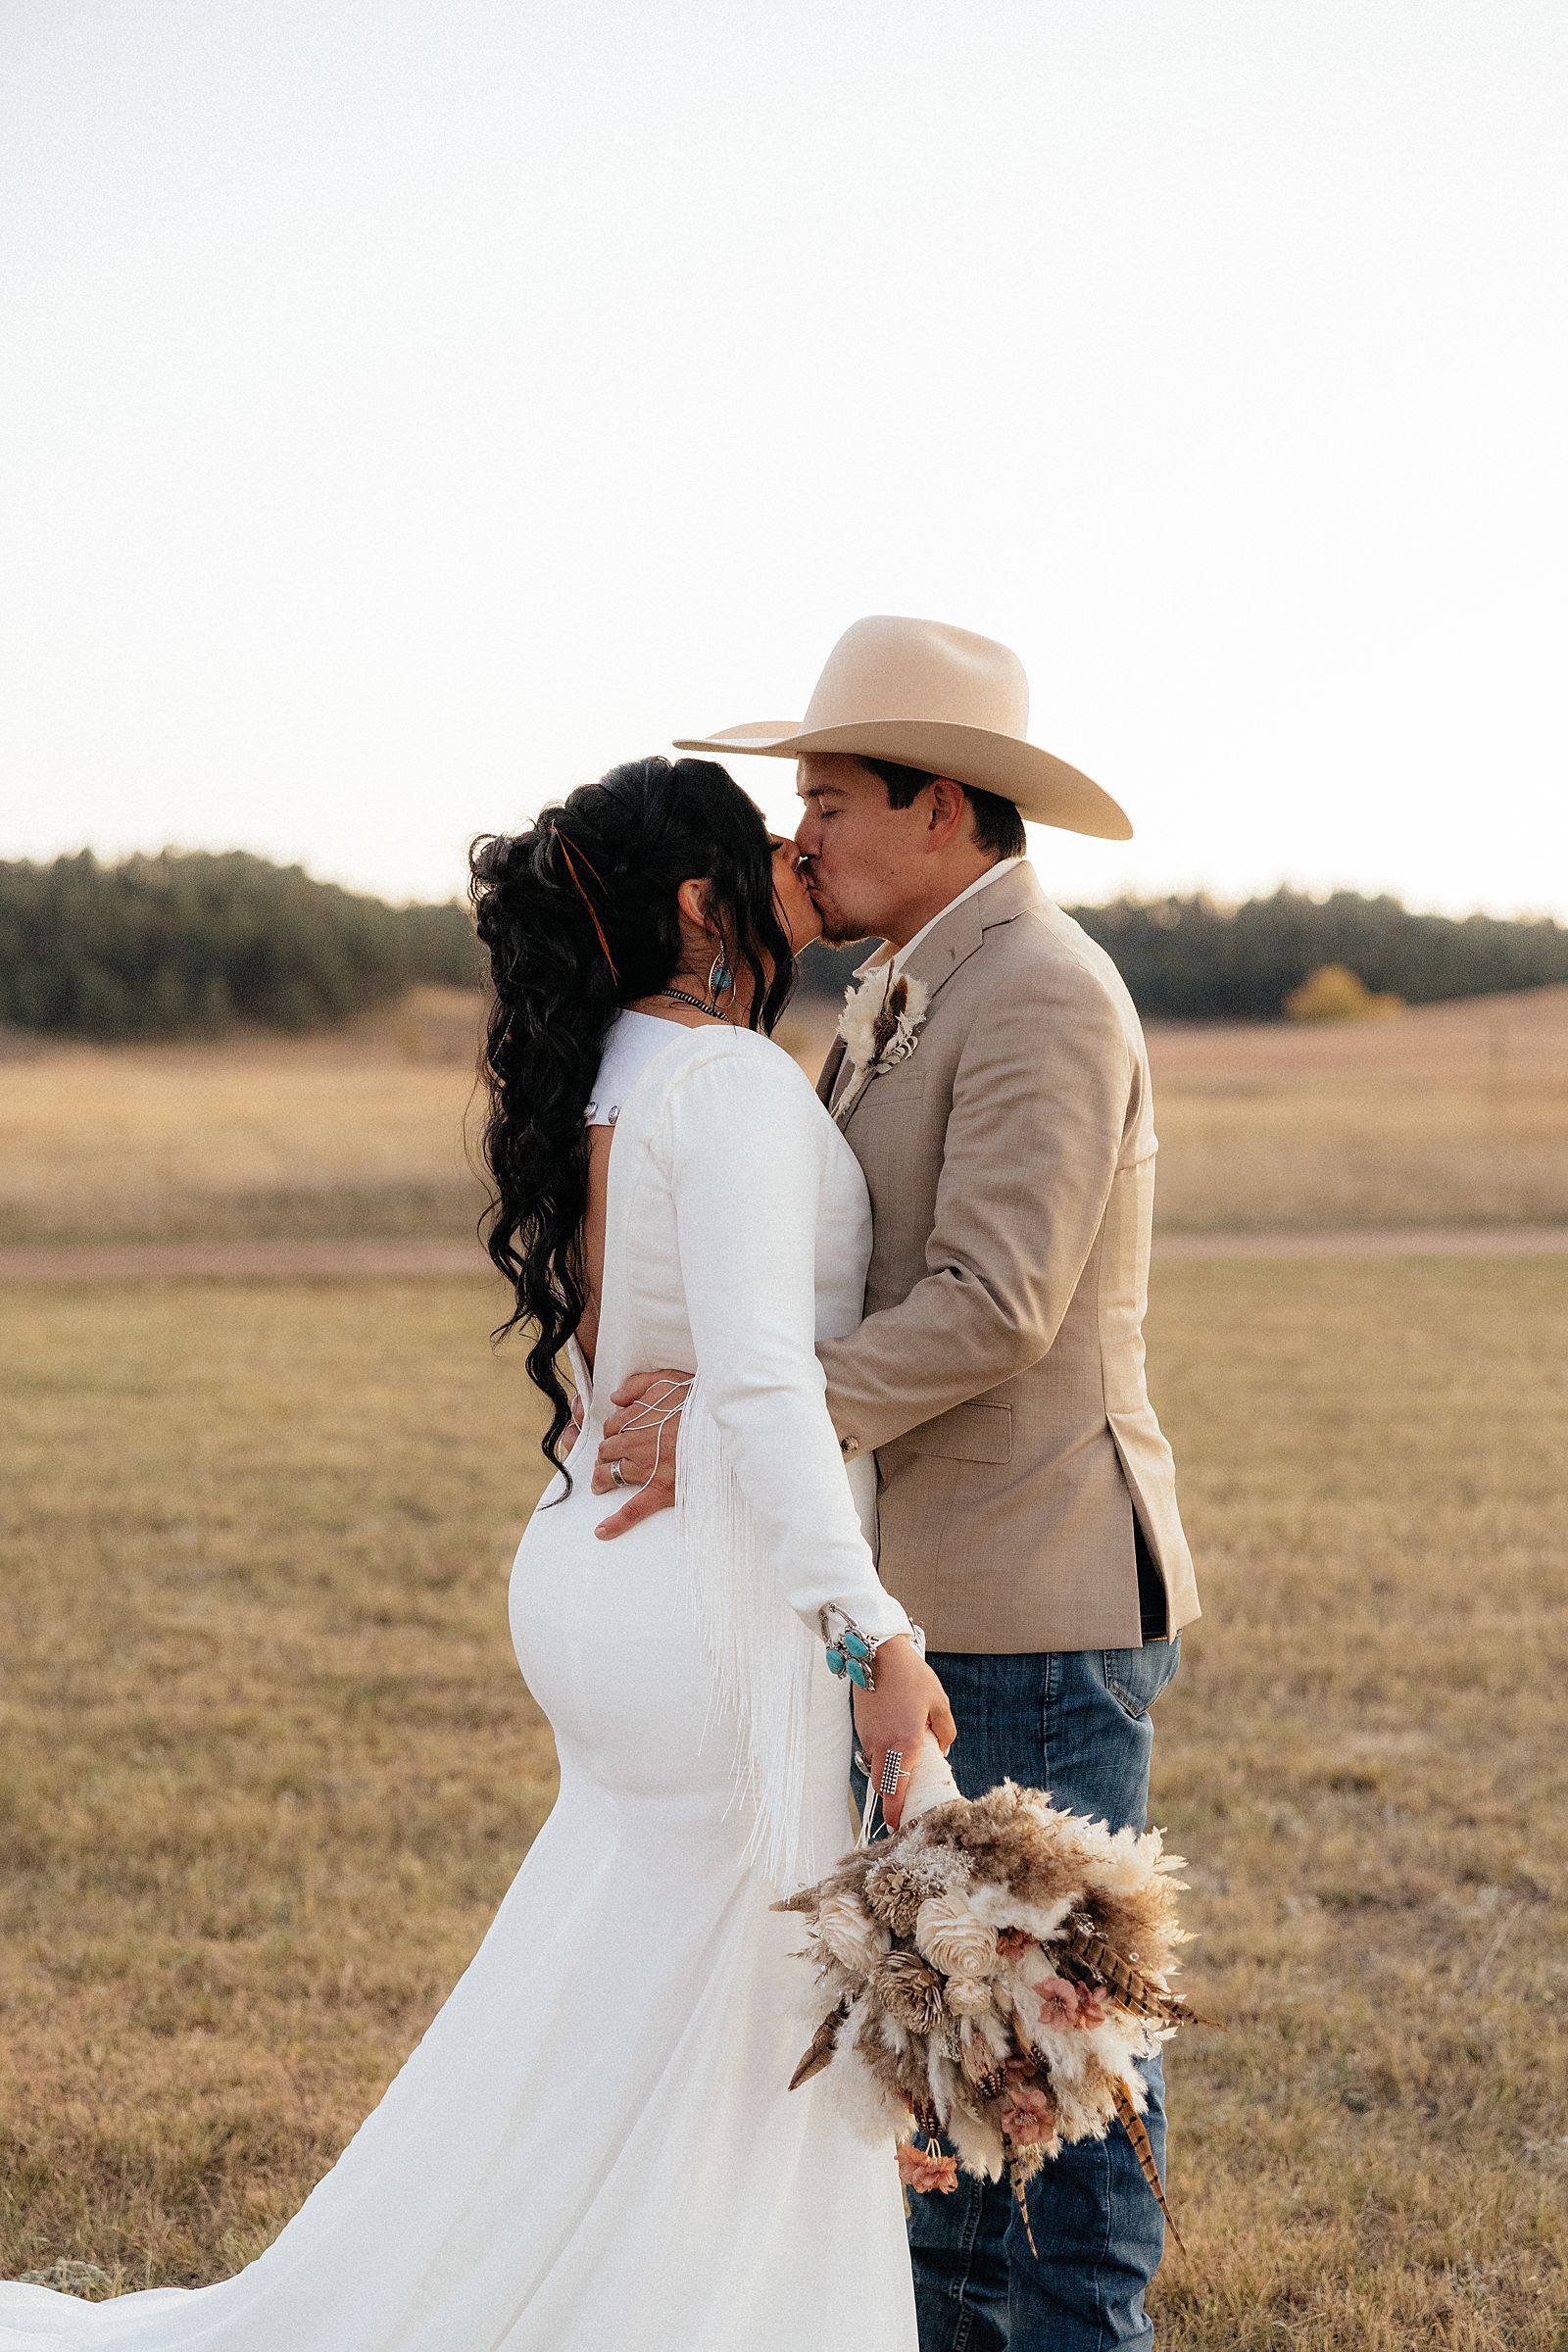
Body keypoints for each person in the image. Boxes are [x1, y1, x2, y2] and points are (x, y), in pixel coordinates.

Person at [0, 754, 955, 2352]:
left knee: (613, 2000)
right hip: (708, 1602)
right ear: (704, 907)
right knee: (742, 2036)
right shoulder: (725, 1085)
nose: (800, 859)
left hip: (597, 1558)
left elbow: (671, 1360)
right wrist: (868, 1632)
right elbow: (766, 1378)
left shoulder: (610, 1073)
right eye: (761, 850)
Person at [594, 616, 1201, 2352]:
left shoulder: (1046, 991)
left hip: (1034, 1584)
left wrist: (735, 1404)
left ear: (947, 808)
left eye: (832, 801)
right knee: (938, 2069)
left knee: (1053, 2069)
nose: (800, 841)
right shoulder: (900, 980)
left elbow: (996, 1306)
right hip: (924, 1593)